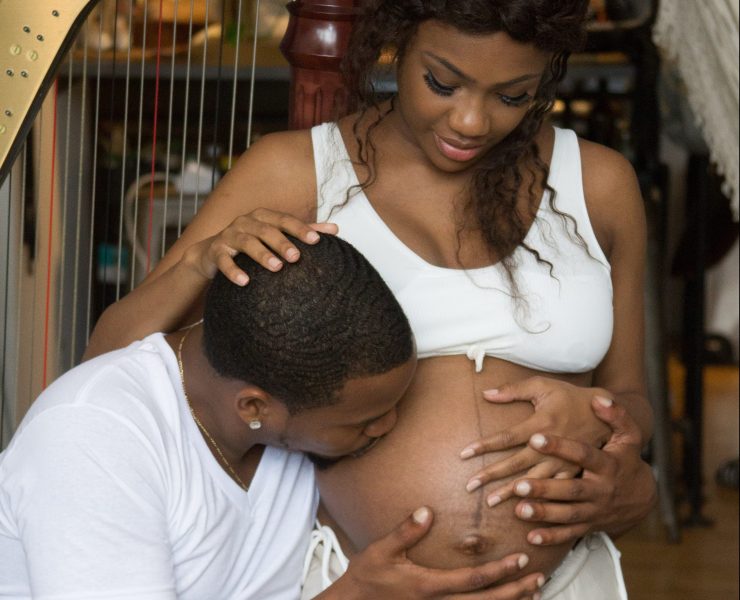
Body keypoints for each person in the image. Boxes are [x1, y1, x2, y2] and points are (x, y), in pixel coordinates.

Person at [85, 1, 658, 598]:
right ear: (398, 41)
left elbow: (633, 400)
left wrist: (602, 416)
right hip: (349, 579)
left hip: (566, 583)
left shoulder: (600, 185)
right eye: (442, 83)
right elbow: (108, 364)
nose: (470, 121)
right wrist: (198, 263)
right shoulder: (295, 171)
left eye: (512, 96)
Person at [0, 235, 548, 600]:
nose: (387, 427)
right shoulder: (90, 439)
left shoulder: (279, 419)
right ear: (255, 407)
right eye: (365, 420)